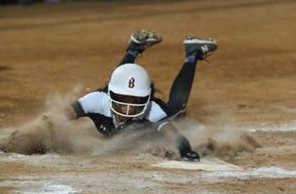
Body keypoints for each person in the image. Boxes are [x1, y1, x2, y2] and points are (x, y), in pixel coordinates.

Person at [66, 30, 218, 161]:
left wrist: (185, 149)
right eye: (123, 101)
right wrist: (46, 130)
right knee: (119, 85)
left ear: (146, 100)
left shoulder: (151, 109)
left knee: (176, 111)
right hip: (110, 94)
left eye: (134, 101)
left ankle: (192, 55)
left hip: (135, 103)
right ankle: (133, 50)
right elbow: (61, 115)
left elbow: (174, 134)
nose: (127, 108)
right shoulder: (97, 100)